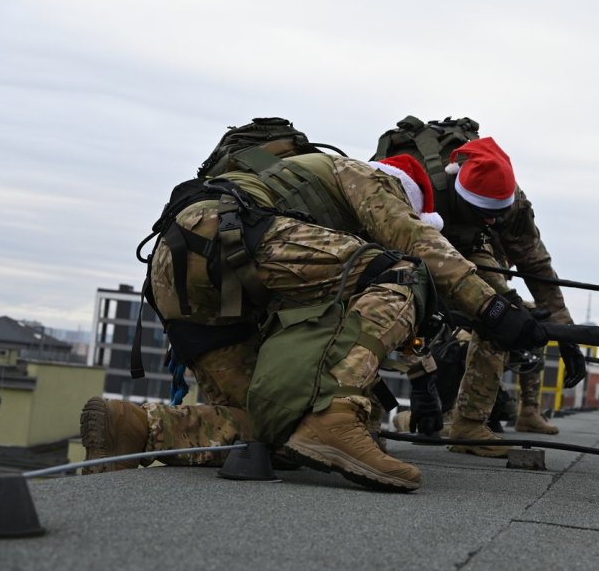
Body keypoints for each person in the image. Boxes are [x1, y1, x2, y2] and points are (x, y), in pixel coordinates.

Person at [80, 138, 549, 492]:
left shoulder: (311, 197)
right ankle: (335, 415)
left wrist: (423, 376)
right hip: (230, 233)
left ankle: (137, 428)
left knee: (269, 423)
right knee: (407, 275)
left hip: (178, 268)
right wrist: (492, 308)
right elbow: (418, 246)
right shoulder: (374, 178)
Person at [373, 116, 587, 457]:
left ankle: (470, 425)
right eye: (482, 213)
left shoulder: (509, 201)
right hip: (404, 242)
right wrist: (420, 379)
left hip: (470, 250)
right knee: (385, 308)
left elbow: (535, 264)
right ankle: (363, 422)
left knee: (505, 314)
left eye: (495, 217)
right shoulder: (409, 186)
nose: (491, 222)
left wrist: (566, 334)